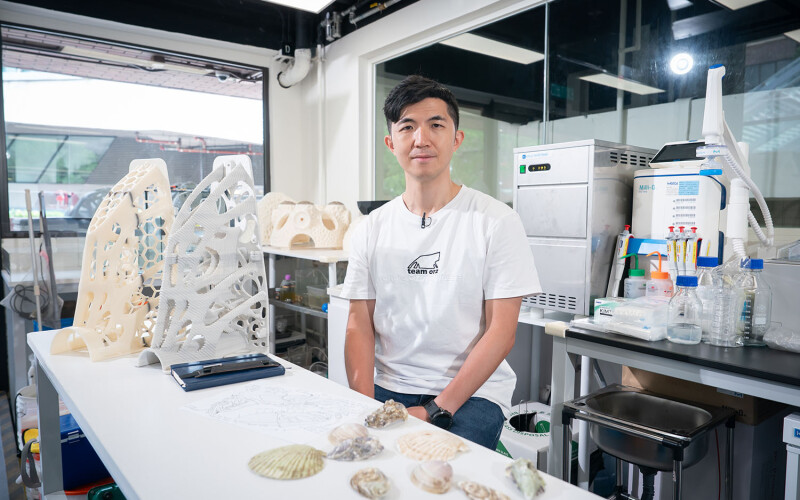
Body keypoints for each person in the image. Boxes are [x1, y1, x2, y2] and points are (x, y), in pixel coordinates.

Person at [340, 75, 541, 449]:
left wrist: (437, 409)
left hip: (473, 394)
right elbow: (359, 323)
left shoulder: (495, 220)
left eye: (435, 125)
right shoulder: (372, 228)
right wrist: (362, 403)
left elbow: (502, 331)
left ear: (456, 138)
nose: (422, 139)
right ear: (391, 142)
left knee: (443, 477)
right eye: (407, 127)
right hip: (390, 386)